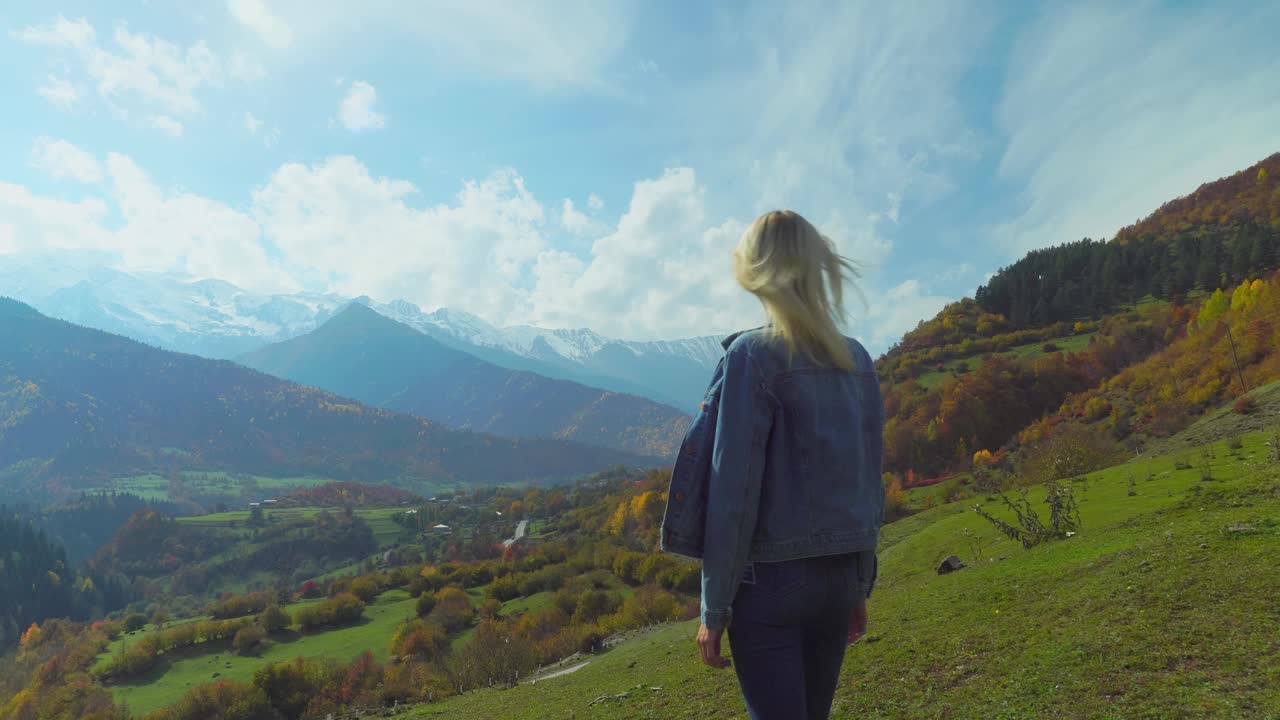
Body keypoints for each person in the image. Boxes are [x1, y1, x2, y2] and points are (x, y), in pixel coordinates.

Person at [660, 209, 885, 720]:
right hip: (839, 577)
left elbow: (732, 493)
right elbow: (869, 477)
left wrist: (713, 609)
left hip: (772, 585)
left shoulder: (752, 357)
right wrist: (858, 580)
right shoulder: (857, 360)